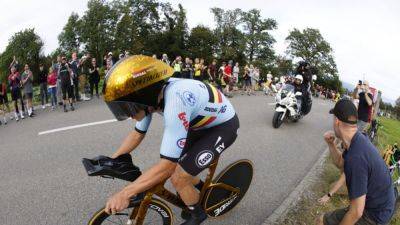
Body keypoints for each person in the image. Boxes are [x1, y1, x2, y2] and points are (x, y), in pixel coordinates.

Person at [102, 55, 239, 225]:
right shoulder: (152, 98)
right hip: (197, 124)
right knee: (178, 171)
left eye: (129, 108)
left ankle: (198, 214)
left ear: (143, 97)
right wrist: (112, 160)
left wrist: (125, 193)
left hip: (222, 127)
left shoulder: (175, 101)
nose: (129, 115)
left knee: (178, 177)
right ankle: (202, 190)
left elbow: (166, 167)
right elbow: (137, 134)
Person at [317, 99, 395, 225]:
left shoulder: (356, 157)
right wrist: (331, 144)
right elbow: (341, 163)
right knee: (323, 220)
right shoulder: (357, 139)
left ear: (337, 121)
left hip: (374, 215)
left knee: (322, 221)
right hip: (380, 205)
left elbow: (356, 212)